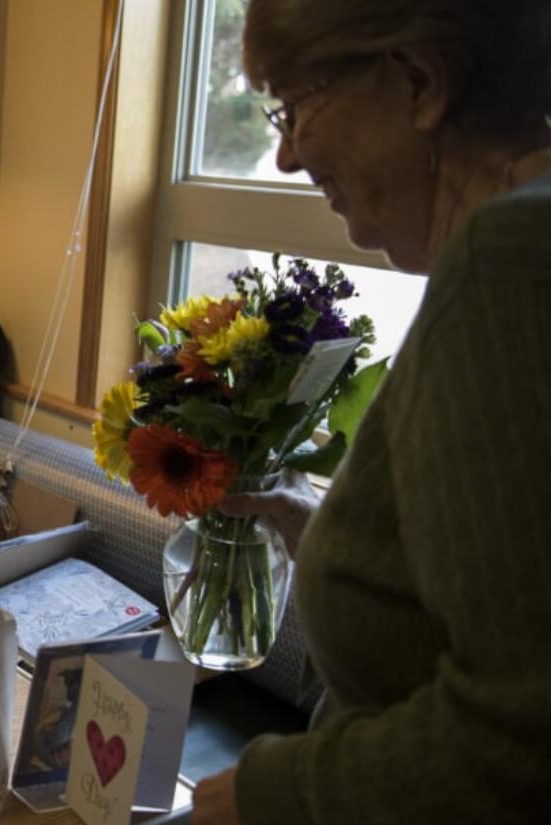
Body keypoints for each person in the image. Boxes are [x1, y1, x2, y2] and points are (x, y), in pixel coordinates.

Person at [190, 2, 551, 823]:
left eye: (297, 102)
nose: (284, 155)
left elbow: (522, 738)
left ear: (419, 81)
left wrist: (267, 792)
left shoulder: (506, 270)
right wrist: (354, 550)